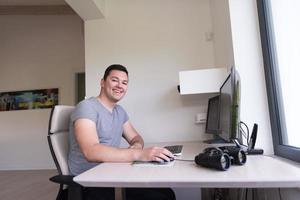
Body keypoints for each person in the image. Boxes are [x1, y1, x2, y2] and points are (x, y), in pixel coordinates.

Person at [68, 64, 176, 200]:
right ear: (102, 82)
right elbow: (91, 151)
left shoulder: (119, 111)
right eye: (114, 80)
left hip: (112, 171)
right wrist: (139, 154)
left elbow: (136, 137)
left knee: (166, 193)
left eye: (124, 82)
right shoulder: (87, 107)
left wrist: (137, 145)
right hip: (89, 178)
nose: (120, 85)